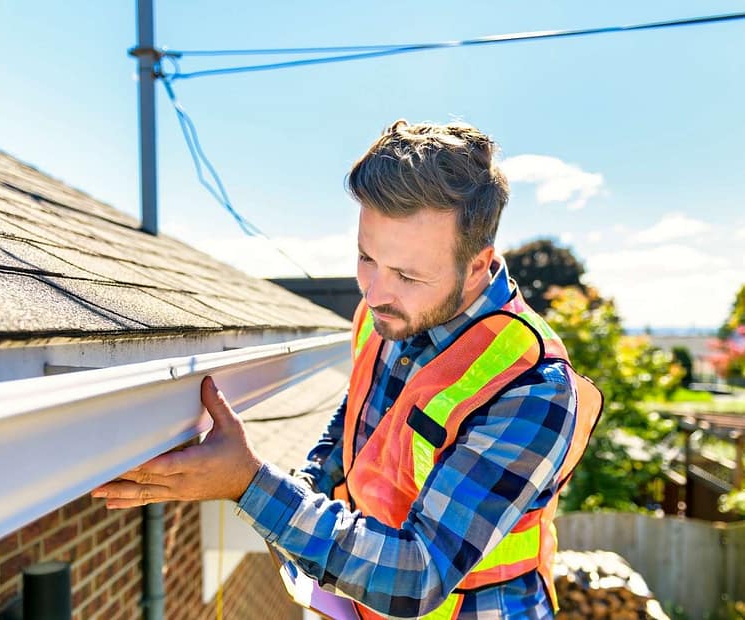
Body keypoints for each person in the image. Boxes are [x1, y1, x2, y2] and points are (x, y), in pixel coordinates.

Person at [92, 120, 601, 619]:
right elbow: (357, 418)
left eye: (406, 273)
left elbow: (417, 576)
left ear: (475, 264)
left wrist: (250, 486)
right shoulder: (385, 314)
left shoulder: (532, 387)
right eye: (366, 258)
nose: (375, 293)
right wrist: (306, 484)